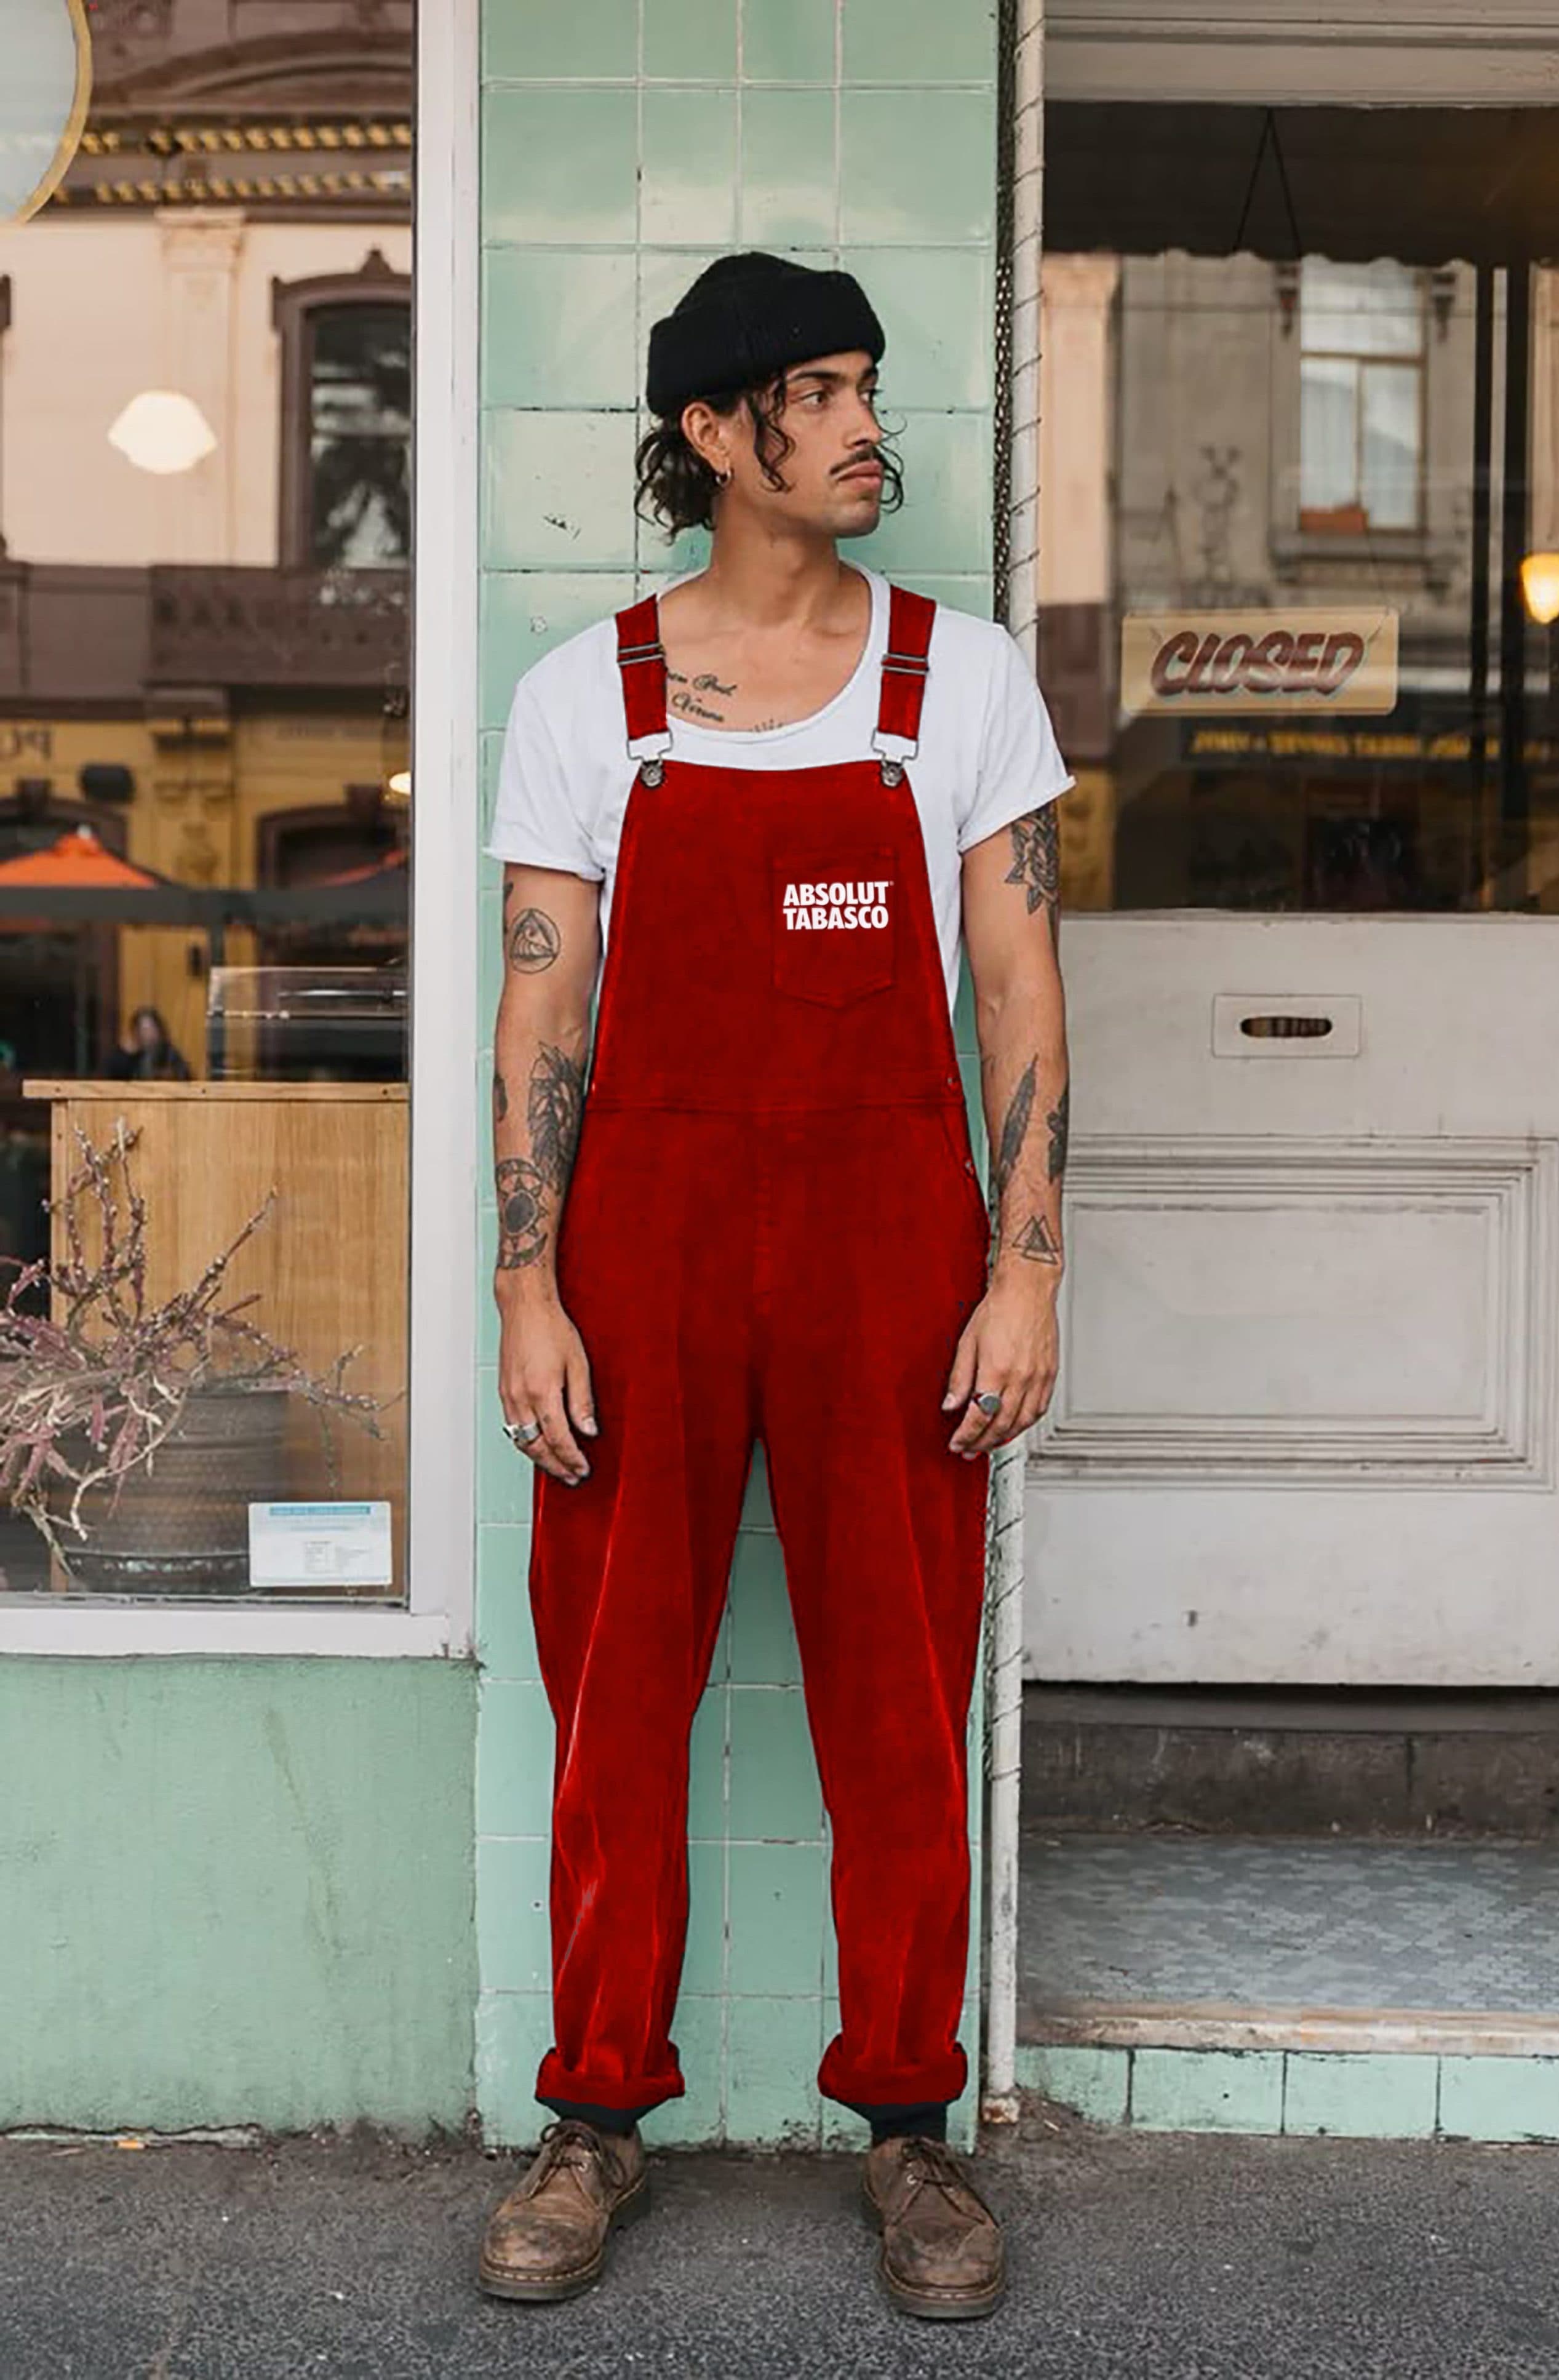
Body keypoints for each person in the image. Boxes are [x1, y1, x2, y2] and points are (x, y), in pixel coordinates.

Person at [478, 251, 1072, 2322]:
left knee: (899, 1697)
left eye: (866, 385)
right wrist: (529, 1287)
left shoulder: (960, 683)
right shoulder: (588, 697)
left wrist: (1025, 1268)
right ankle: (594, 2112)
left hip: (890, 1248)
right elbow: (540, 1016)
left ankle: (911, 2120)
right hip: (638, 1248)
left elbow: (1020, 995)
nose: (863, 424)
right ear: (716, 434)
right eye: (817, 391)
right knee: (612, 1689)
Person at [106, 1005, 191, 1082]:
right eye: (144, 1029)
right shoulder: (129, 1055)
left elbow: (185, 1078)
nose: (148, 1034)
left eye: (152, 1028)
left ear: (159, 1030)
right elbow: (113, 1079)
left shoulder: (169, 1053)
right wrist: (125, 1055)